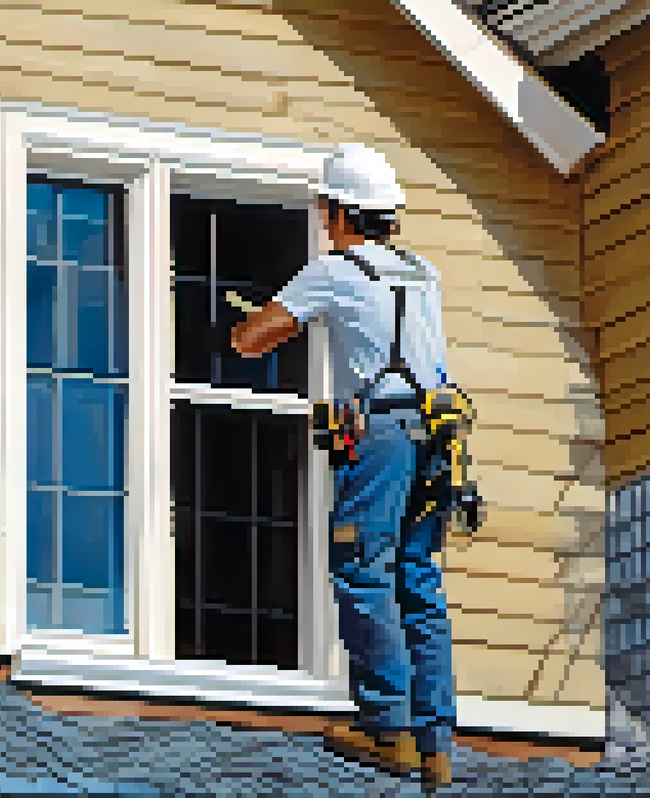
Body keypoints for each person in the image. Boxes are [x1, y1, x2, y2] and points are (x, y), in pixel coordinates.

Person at [228, 143, 458, 788]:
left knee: (362, 566)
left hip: (383, 433)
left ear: (341, 213)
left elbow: (255, 340)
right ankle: (434, 740)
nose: (324, 220)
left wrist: (246, 325)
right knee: (416, 576)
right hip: (438, 431)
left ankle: (387, 727)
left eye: (326, 209)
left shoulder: (333, 270)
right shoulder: (422, 271)